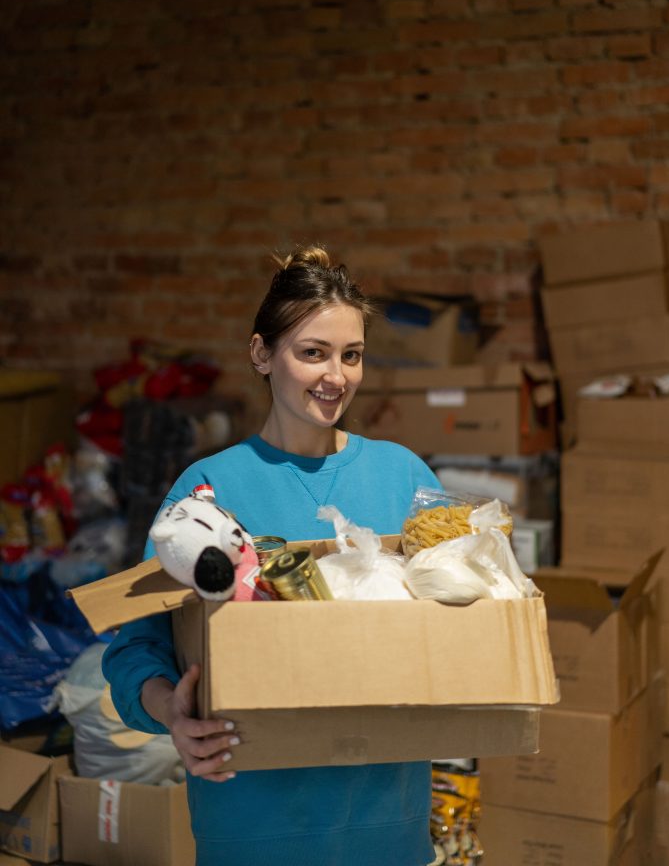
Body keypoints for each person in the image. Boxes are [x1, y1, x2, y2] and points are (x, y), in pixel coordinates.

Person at [102, 244, 443, 866]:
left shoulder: (402, 476)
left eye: (352, 355)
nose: (335, 376)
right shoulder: (209, 491)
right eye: (312, 353)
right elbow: (136, 644)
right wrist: (170, 714)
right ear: (262, 354)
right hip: (255, 827)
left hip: (388, 828)